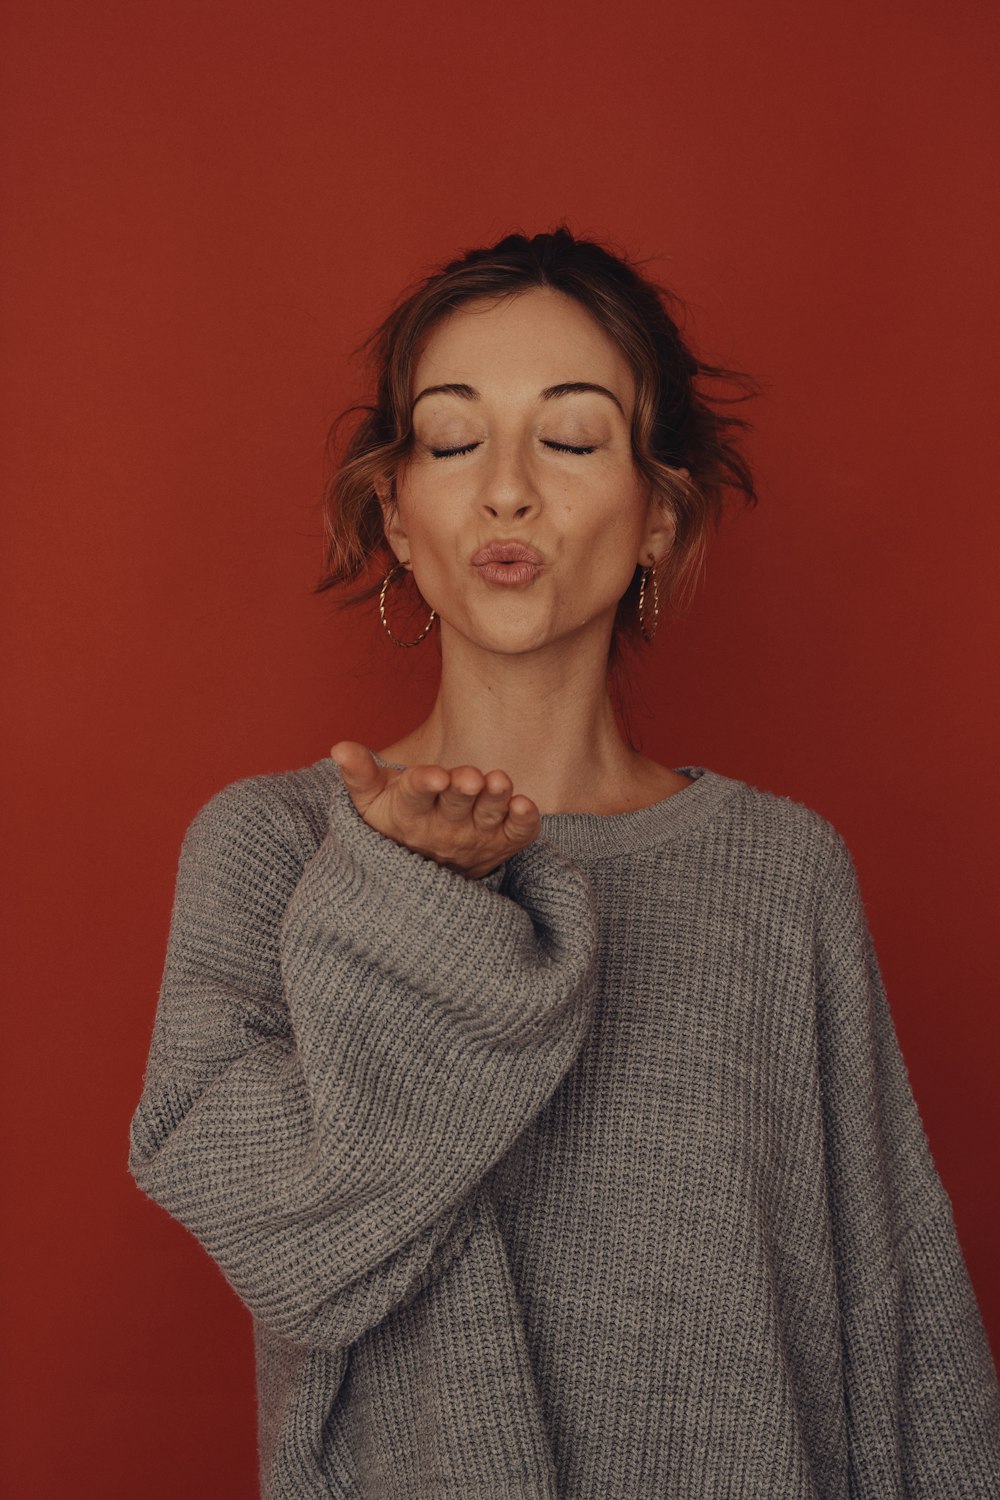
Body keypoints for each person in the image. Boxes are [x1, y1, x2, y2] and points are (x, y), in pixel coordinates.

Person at [127, 227, 1000, 1499]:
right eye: (454, 439)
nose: (509, 489)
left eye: (575, 439)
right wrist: (416, 904)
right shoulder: (275, 846)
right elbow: (278, 1234)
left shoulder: (779, 870)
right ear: (399, 516)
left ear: (658, 512)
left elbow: (895, 1304)